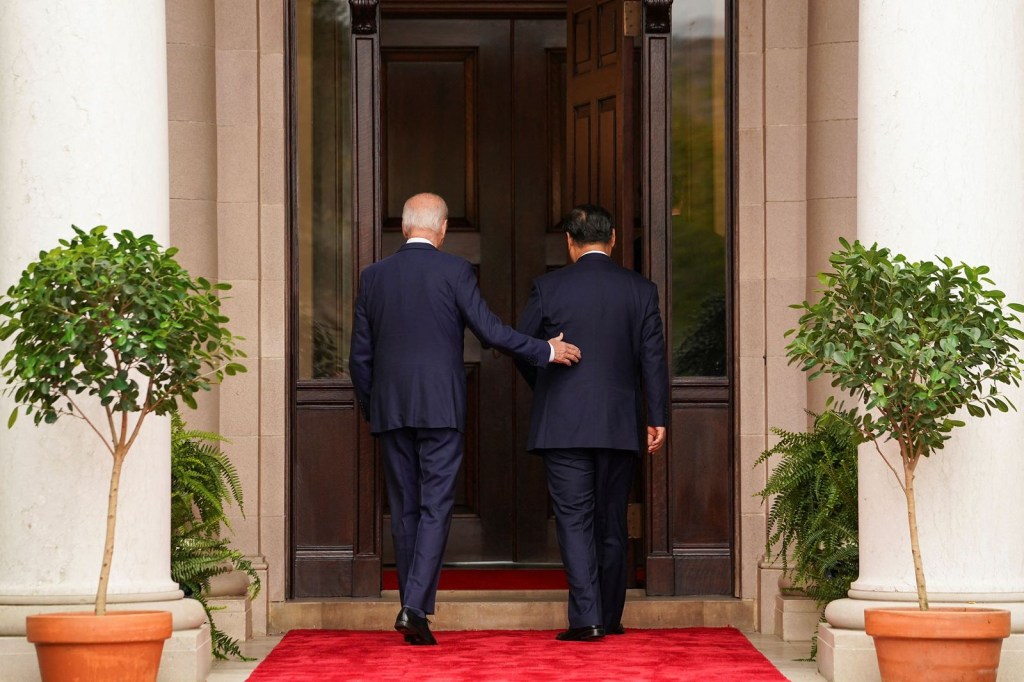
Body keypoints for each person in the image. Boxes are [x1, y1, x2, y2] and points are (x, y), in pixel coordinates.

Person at [348, 192, 581, 646]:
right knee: (435, 505)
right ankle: (414, 607)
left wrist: (372, 407)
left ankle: (412, 606)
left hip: (391, 410)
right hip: (440, 407)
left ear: (404, 226)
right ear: (443, 229)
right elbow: (490, 331)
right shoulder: (454, 270)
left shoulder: (373, 276)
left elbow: (360, 356)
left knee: (405, 508)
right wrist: (546, 349)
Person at [515, 203, 669, 642]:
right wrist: (655, 416)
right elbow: (652, 360)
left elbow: (522, 346)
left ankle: (587, 619)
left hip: (563, 424)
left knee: (574, 519)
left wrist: (548, 383)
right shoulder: (641, 290)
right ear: (614, 238)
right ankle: (612, 614)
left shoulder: (549, 287)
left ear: (569, 241)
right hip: (621, 424)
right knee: (612, 519)